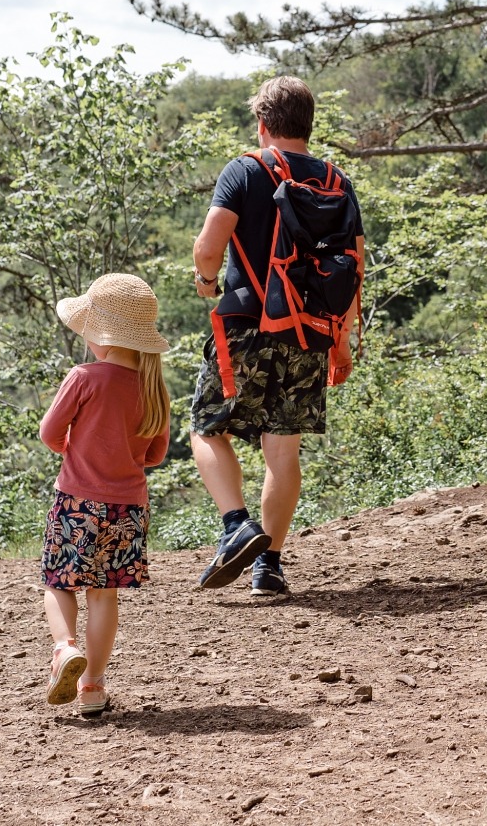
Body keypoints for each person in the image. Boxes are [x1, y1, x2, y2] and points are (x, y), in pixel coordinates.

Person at [190, 75, 364, 596]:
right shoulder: (336, 182)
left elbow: (207, 247)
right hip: (310, 332)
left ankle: (235, 526)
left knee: (206, 427)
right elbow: (351, 268)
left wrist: (205, 282)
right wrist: (341, 339)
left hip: (247, 324)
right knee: (282, 453)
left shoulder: (244, 170)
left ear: (262, 124)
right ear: (308, 126)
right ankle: (269, 567)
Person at [40, 273, 171, 716]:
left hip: (76, 500)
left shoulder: (83, 377)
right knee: (104, 594)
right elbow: (155, 453)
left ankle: (64, 649)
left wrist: (76, 452)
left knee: (59, 584)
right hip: (128, 508)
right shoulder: (154, 387)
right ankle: (93, 687)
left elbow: (50, 433)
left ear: (101, 334)